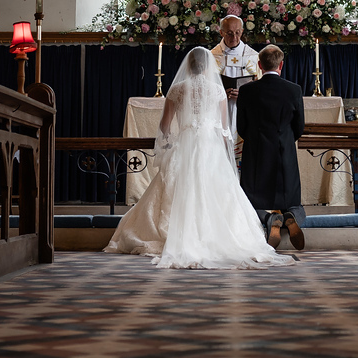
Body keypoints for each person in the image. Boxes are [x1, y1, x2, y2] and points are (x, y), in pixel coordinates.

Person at [104, 47, 294, 269]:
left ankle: (175, 235)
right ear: (209, 67)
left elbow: (164, 127)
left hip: (185, 145)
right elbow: (224, 129)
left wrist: (171, 145)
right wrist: (227, 157)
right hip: (210, 148)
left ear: (188, 65)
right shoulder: (217, 91)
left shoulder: (176, 89)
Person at [236, 44, 307, 250]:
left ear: (259, 65)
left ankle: (269, 220)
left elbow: (241, 126)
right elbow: (299, 127)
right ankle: (290, 217)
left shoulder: (247, 90)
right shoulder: (294, 90)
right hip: (284, 152)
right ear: (281, 65)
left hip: (256, 153)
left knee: (250, 202)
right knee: (294, 202)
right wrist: (284, 139)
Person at [209, 14, 260, 133]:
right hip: (218, 111)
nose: (234, 37)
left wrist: (245, 95)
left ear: (242, 31)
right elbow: (204, 86)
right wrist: (219, 94)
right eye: (229, 33)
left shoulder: (253, 57)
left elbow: (261, 87)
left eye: (237, 33)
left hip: (244, 110)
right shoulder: (211, 57)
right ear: (221, 32)